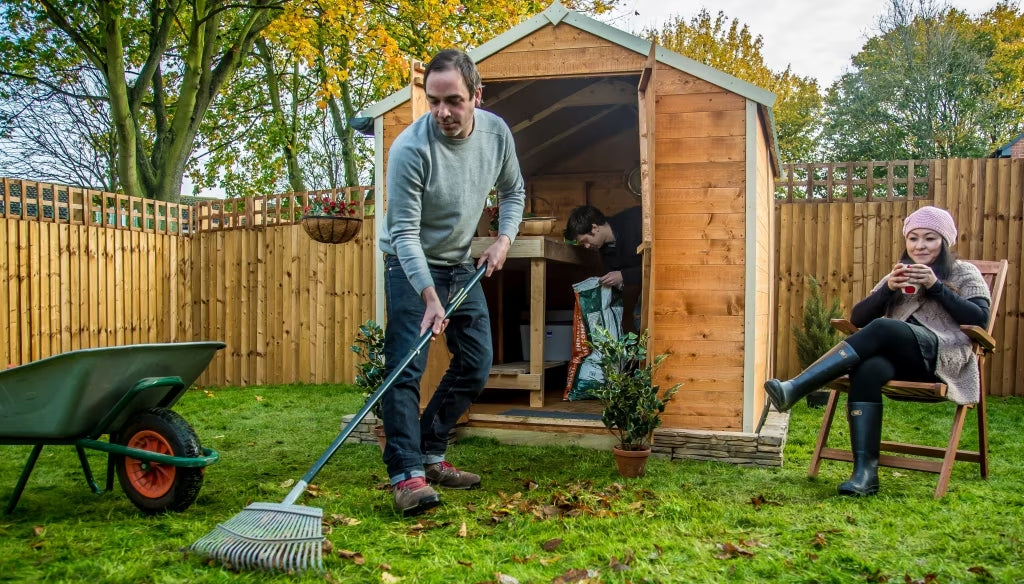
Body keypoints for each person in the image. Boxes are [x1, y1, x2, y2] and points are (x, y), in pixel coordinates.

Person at [378, 48, 525, 516]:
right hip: (409, 264)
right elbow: (403, 232)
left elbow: (514, 190)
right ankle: (407, 475)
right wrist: (427, 295)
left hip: (461, 263)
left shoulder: (497, 134)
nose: (442, 112)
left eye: (454, 101)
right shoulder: (409, 149)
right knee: (406, 367)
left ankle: (430, 452)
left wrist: (503, 238)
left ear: (476, 96)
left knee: (477, 361)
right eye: (434, 100)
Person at [764, 206, 990, 496]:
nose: (920, 245)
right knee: (867, 370)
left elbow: (980, 320)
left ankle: (796, 388)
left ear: (945, 242)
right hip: (901, 362)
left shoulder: (964, 273)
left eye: (930, 238)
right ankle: (865, 475)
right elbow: (857, 319)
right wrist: (887, 291)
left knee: (884, 327)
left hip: (942, 357)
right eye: (914, 238)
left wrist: (936, 287)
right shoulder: (898, 274)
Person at [562, 205, 643, 331]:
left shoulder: (637, 220)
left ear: (594, 228)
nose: (587, 246)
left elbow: (658, 263)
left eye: (585, 241)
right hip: (636, 300)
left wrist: (623, 276)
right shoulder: (605, 249)